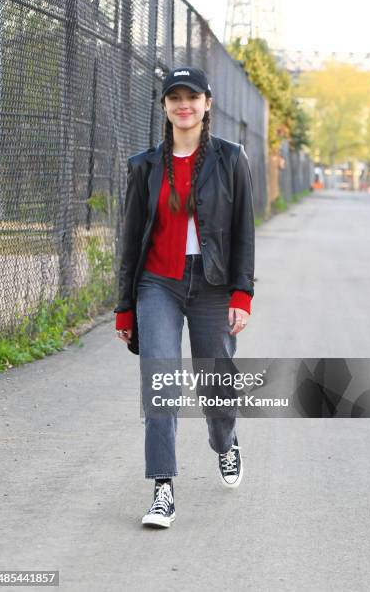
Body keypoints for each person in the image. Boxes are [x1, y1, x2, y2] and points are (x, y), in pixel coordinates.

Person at [114, 66, 255, 528]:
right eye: (174, 97)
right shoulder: (145, 165)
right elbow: (131, 238)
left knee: (215, 385)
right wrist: (125, 307)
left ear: (207, 104)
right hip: (158, 284)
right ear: (164, 107)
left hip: (213, 285)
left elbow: (243, 233)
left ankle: (225, 441)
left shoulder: (231, 159)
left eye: (192, 96)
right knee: (161, 384)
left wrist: (242, 293)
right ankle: (162, 489)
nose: (183, 104)